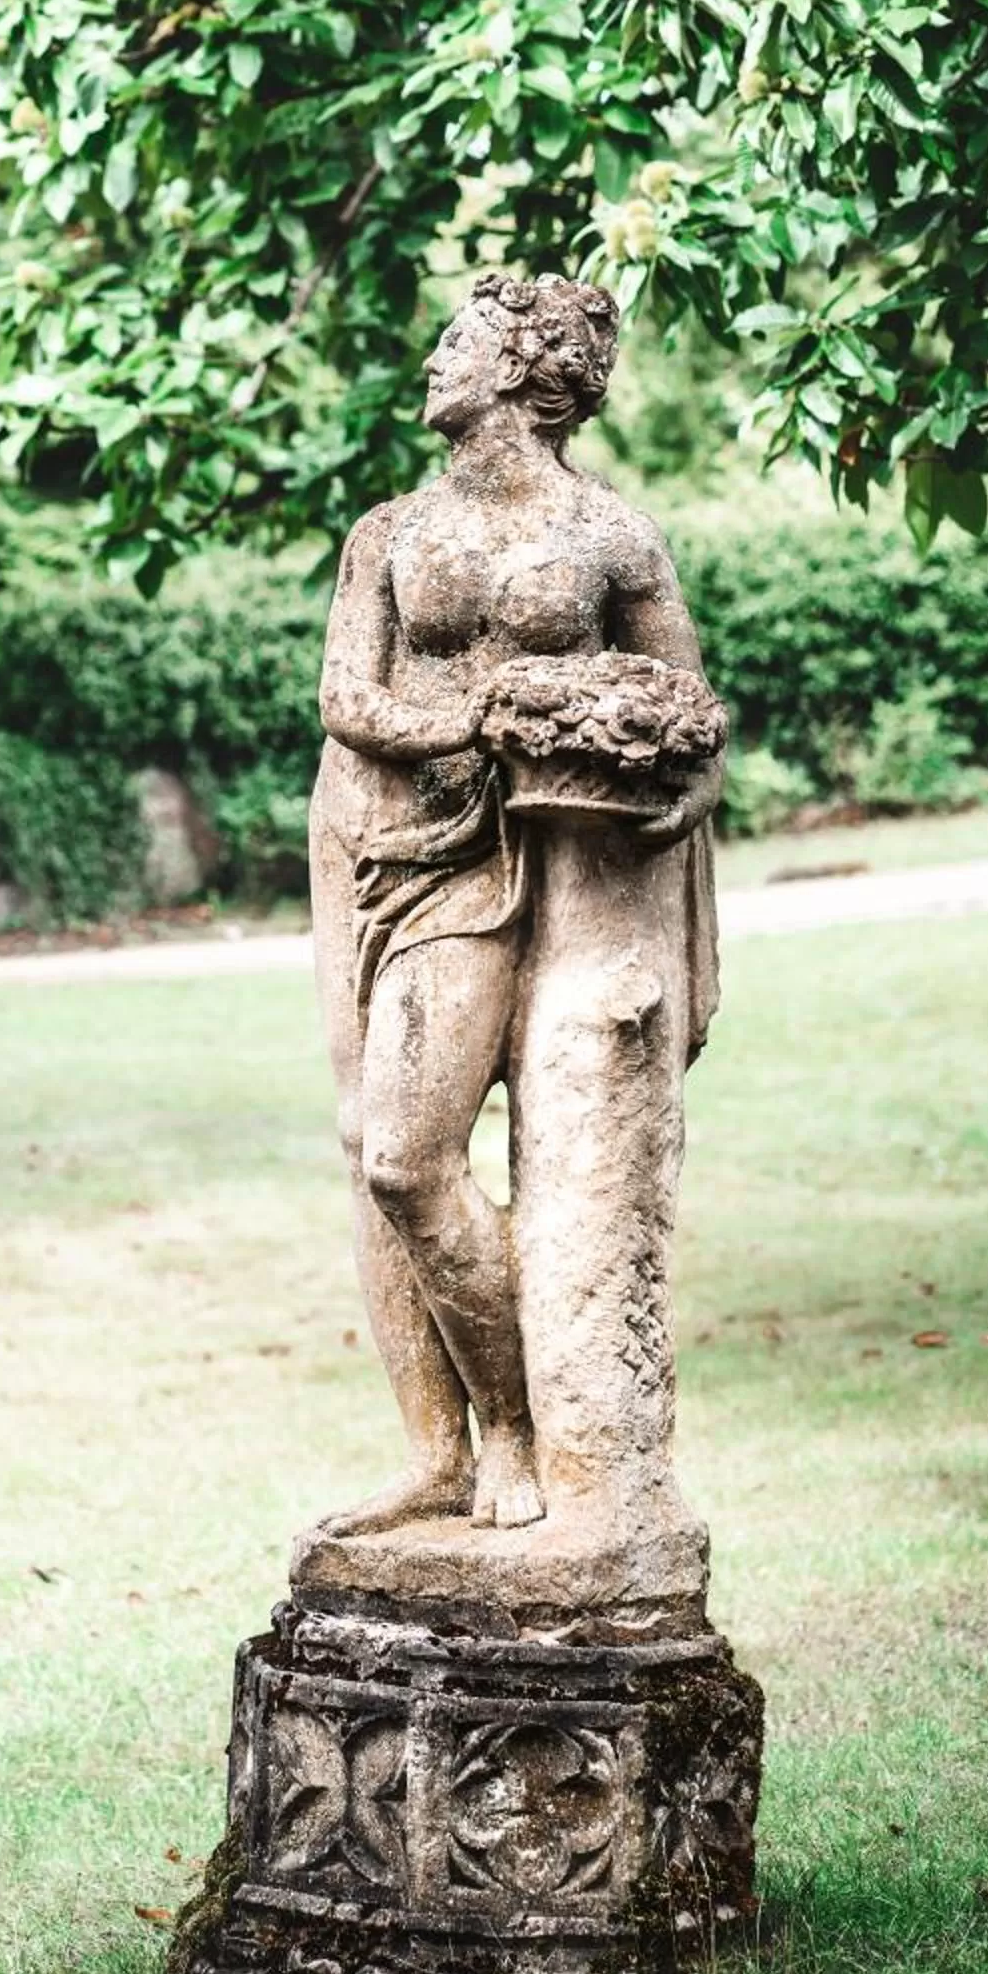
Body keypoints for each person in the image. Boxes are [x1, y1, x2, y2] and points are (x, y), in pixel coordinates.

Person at [308, 272, 721, 1570]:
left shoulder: (613, 538)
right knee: (384, 1153)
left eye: (456, 340)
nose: (432, 360)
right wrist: (473, 724)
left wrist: (640, 800)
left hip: (548, 873)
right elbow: (347, 697)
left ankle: (520, 1430)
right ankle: (454, 1441)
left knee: (418, 1156)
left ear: (524, 370)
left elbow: (693, 725)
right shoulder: (389, 534)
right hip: (403, 854)